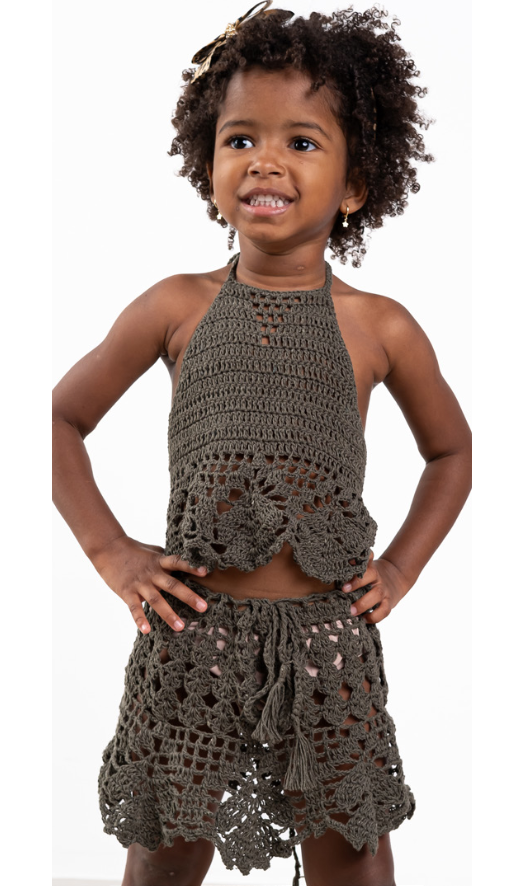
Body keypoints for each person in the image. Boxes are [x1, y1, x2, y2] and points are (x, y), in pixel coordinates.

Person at [52, 2, 472, 886]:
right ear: (207, 161)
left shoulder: (380, 327)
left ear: (356, 184)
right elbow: (58, 419)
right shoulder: (175, 308)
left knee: (356, 863)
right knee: (160, 862)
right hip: (191, 643)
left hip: (328, 649)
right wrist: (112, 551)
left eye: (302, 142)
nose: (264, 161)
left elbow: (451, 453)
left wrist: (399, 568)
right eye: (239, 139)